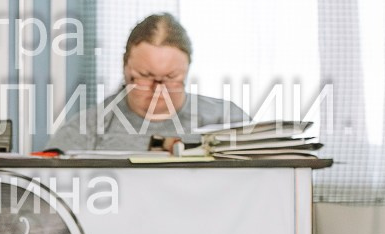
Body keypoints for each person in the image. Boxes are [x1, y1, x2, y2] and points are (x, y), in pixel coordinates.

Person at [47, 13, 246, 153]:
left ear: (187, 71)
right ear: (125, 69)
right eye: (146, 76)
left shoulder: (228, 121)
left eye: (171, 77)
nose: (158, 89)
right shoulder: (85, 132)